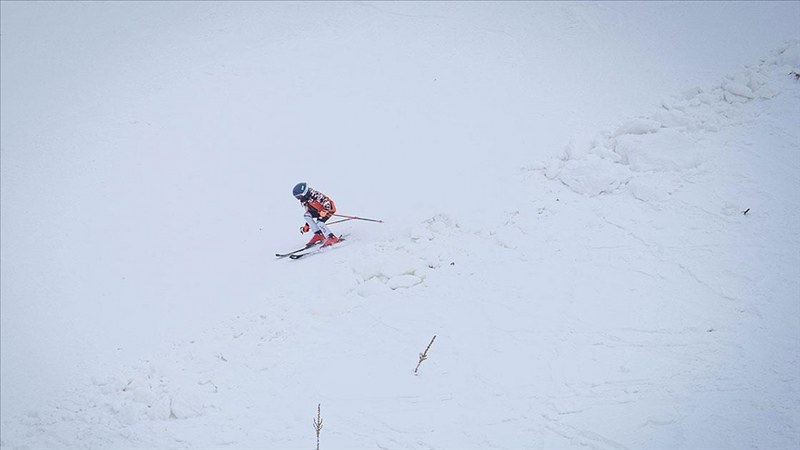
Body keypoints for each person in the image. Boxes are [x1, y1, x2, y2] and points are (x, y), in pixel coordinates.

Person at [292, 182, 341, 247]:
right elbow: (309, 211)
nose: (299, 199)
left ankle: (332, 238)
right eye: (297, 197)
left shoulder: (316, 195)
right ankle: (319, 234)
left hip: (328, 210)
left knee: (319, 222)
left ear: (305, 193)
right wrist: (307, 225)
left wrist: (325, 211)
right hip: (318, 212)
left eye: (299, 197)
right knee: (306, 215)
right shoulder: (304, 201)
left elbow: (327, 202)